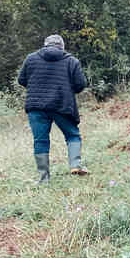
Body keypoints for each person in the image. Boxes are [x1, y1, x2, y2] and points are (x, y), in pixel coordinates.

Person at [17, 34, 88, 182]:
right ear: (62, 47)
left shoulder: (31, 58)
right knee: (72, 134)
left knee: (40, 140)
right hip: (61, 104)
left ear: (45, 45)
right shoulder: (71, 61)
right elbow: (80, 84)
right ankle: (75, 165)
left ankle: (44, 178)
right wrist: (67, 90)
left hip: (36, 107)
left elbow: (21, 80)